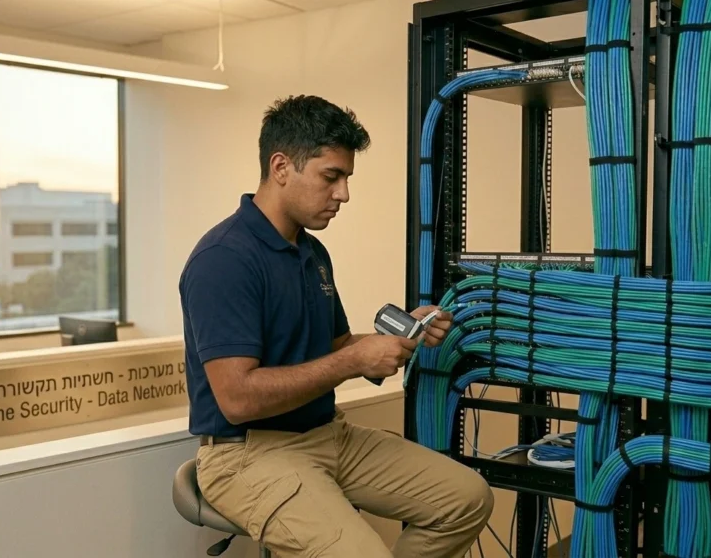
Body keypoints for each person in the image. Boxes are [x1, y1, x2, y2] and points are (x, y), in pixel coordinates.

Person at [178, 94, 494, 557]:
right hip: (246, 455)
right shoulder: (224, 259)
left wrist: (399, 334)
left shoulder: (311, 252)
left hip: (328, 434)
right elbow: (238, 398)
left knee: (466, 499)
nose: (343, 193)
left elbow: (337, 345)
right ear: (281, 167)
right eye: (332, 177)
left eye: (345, 178)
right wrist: (352, 361)